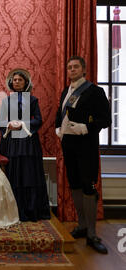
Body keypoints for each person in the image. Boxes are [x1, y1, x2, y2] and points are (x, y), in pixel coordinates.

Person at [55, 56, 111, 254]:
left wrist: (85, 128)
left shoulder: (95, 91)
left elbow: (105, 119)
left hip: (86, 145)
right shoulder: (66, 91)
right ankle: (82, 226)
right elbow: (60, 113)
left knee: (88, 186)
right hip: (69, 144)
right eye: (69, 67)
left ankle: (92, 234)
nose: (72, 70)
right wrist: (57, 128)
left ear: (84, 69)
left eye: (75, 67)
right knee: (75, 184)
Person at [0, 69, 51, 222]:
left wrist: (22, 124)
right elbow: (0, 122)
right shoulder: (6, 101)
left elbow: (39, 120)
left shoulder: (33, 100)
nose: (17, 82)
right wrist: (9, 125)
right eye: (15, 80)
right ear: (11, 82)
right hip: (12, 143)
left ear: (26, 82)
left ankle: (30, 210)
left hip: (28, 142)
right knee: (13, 174)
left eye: (20, 80)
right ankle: (12, 210)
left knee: (28, 174)